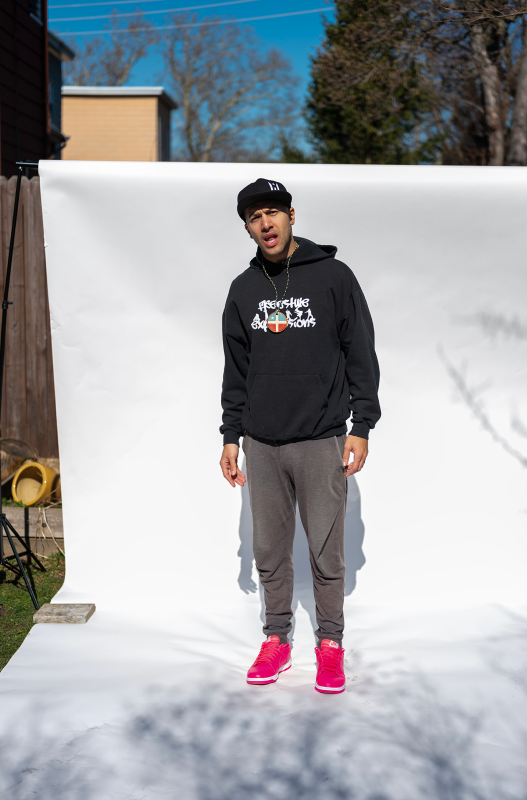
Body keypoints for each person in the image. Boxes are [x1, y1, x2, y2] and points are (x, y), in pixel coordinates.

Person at [219, 178, 380, 694]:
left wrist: (362, 425)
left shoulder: (333, 276)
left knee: (327, 551)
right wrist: (230, 435)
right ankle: (277, 638)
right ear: (247, 228)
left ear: (291, 215)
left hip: (321, 437)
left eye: (273, 212)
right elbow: (236, 371)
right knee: (269, 550)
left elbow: (360, 352)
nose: (265, 223)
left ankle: (330, 643)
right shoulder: (243, 290)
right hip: (261, 443)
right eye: (254, 217)